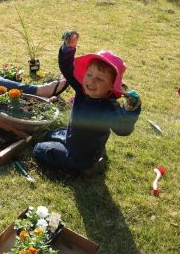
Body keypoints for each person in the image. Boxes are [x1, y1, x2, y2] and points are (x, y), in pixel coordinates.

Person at [33, 30, 142, 176]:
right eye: (89, 74)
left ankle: (88, 168)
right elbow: (67, 68)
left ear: (112, 86)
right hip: (73, 138)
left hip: (80, 156)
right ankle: (96, 154)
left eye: (100, 79)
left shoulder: (108, 107)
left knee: (39, 149)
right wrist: (69, 48)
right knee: (50, 134)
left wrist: (130, 110)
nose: (91, 81)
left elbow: (123, 129)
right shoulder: (83, 90)